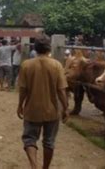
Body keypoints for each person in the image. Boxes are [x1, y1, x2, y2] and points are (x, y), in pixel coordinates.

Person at [17, 35, 69, 169]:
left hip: (32, 109)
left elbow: (23, 89)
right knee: (49, 142)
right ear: (49, 48)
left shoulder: (26, 65)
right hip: (52, 111)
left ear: (35, 48)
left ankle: (34, 166)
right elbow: (62, 90)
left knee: (29, 139)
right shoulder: (56, 65)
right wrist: (65, 108)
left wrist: (20, 105)